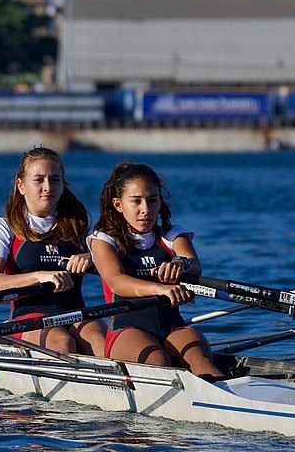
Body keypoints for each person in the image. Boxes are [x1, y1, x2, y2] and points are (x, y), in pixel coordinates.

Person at [88, 162, 225, 381]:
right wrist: (160, 289)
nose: (146, 209)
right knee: (158, 362)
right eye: (136, 201)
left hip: (173, 327)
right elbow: (116, 282)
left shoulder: (171, 234)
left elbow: (194, 264)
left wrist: (180, 263)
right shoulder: (104, 240)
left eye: (153, 200)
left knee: (202, 362)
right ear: (118, 204)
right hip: (127, 330)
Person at [0, 146, 105, 356]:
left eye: (55, 180)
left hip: (75, 313)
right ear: (21, 185)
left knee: (100, 341)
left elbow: (116, 263)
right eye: (38, 180)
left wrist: (93, 258)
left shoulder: (79, 227)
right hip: (27, 317)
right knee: (62, 342)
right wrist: (40, 276)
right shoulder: (4, 227)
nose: (48, 187)